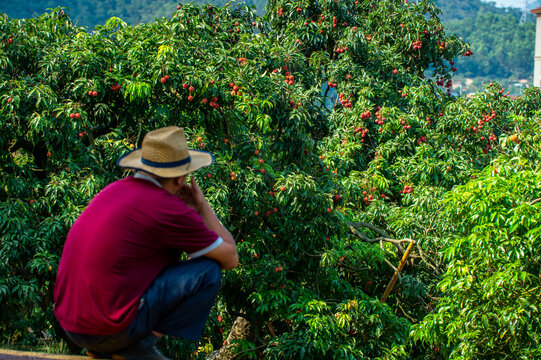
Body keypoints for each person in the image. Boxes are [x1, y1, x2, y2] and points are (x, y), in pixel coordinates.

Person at [53, 126, 238, 360]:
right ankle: (134, 347)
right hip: (108, 329)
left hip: (72, 325)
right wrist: (202, 207)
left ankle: (110, 348)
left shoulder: (112, 191)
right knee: (208, 271)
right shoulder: (168, 209)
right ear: (181, 178)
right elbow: (230, 257)